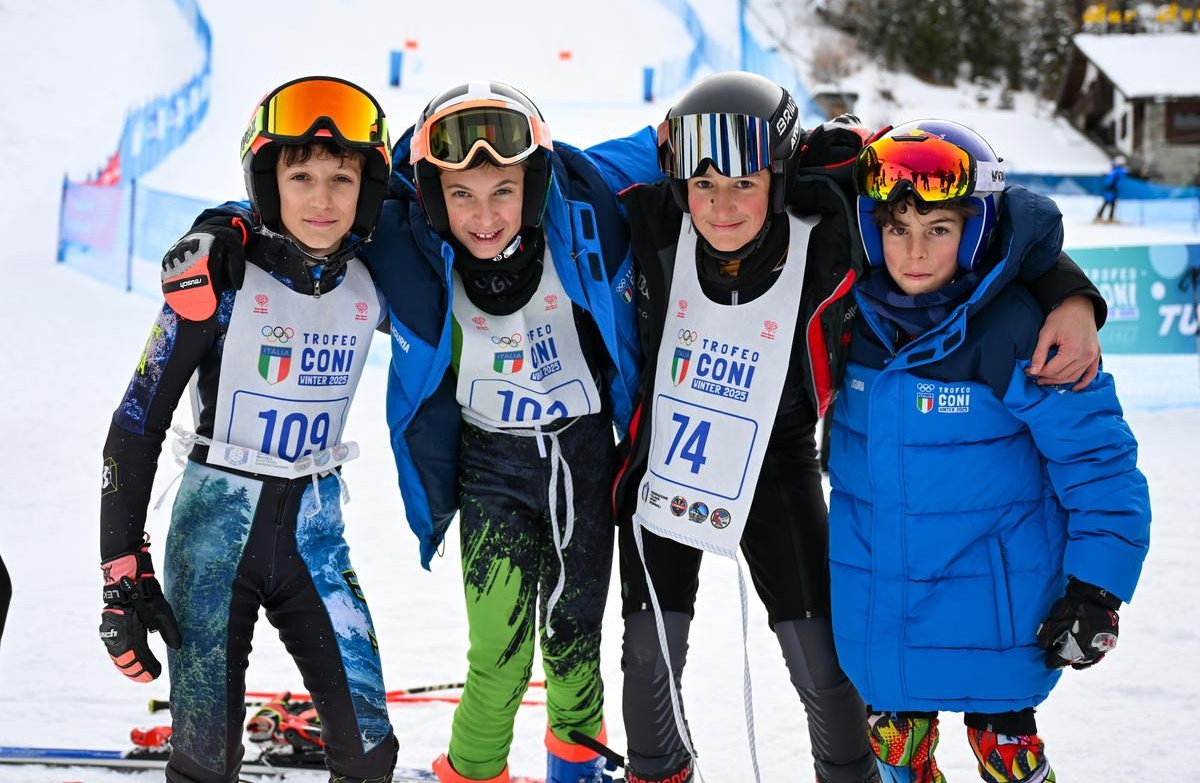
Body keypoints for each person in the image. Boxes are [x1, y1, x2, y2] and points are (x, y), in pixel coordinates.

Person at [609, 73, 1109, 783]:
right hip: (665, 461)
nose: (722, 206)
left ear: (781, 174)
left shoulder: (833, 207)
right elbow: (537, 182)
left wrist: (1068, 291)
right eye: (704, 185)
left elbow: (985, 205)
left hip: (777, 458)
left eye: (745, 183)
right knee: (649, 655)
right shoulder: (647, 210)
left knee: (822, 662)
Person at [167, 80, 662, 783]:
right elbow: (311, 211)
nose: (483, 216)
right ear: (433, 194)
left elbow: (667, 145)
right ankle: (475, 771)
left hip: (584, 458)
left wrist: (817, 153)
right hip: (493, 464)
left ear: (534, 184)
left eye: (503, 191)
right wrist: (225, 223)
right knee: (497, 655)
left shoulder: (581, 199)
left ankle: (578, 772)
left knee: (576, 640)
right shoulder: (406, 242)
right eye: (461, 194)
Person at [829, 120, 1151, 782]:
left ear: (975, 231)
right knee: (896, 757)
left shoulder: (1018, 330)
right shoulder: (848, 315)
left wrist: (1096, 590)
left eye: (938, 229)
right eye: (897, 229)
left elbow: (1100, 464)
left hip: (999, 617)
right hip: (881, 612)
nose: (914, 252)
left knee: (1009, 760)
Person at [102, 76, 399, 783]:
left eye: (341, 178)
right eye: (300, 177)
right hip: (213, 543)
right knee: (205, 763)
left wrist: (225, 218)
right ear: (269, 183)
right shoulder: (219, 280)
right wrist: (120, 572)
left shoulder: (375, 279)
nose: (322, 200)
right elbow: (136, 423)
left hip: (316, 539)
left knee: (370, 754)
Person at [1094, 154, 1127, 223]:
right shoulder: (1118, 171)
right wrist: (1111, 187)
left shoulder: (1116, 171)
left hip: (1112, 189)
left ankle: (1105, 216)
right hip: (1112, 189)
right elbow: (1112, 180)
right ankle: (1105, 217)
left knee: (1110, 203)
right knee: (1108, 202)